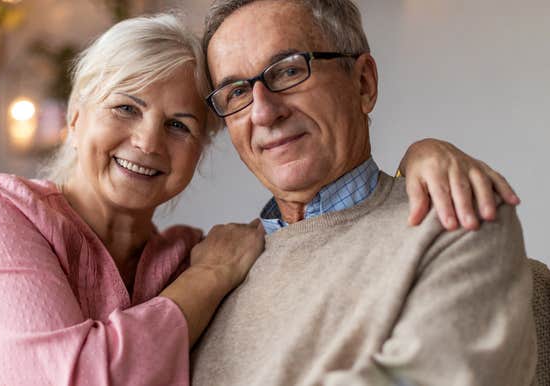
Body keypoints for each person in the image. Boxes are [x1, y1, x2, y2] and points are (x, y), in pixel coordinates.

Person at [0, 13, 522, 386]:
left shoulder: (191, 258)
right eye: (124, 108)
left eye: (180, 125)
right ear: (75, 117)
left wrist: (425, 152)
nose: (147, 141)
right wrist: (212, 277)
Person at [190, 1, 536, 385]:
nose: (263, 112)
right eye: (236, 93)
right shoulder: (208, 268)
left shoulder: (454, 214)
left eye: (288, 70)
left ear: (363, 83)